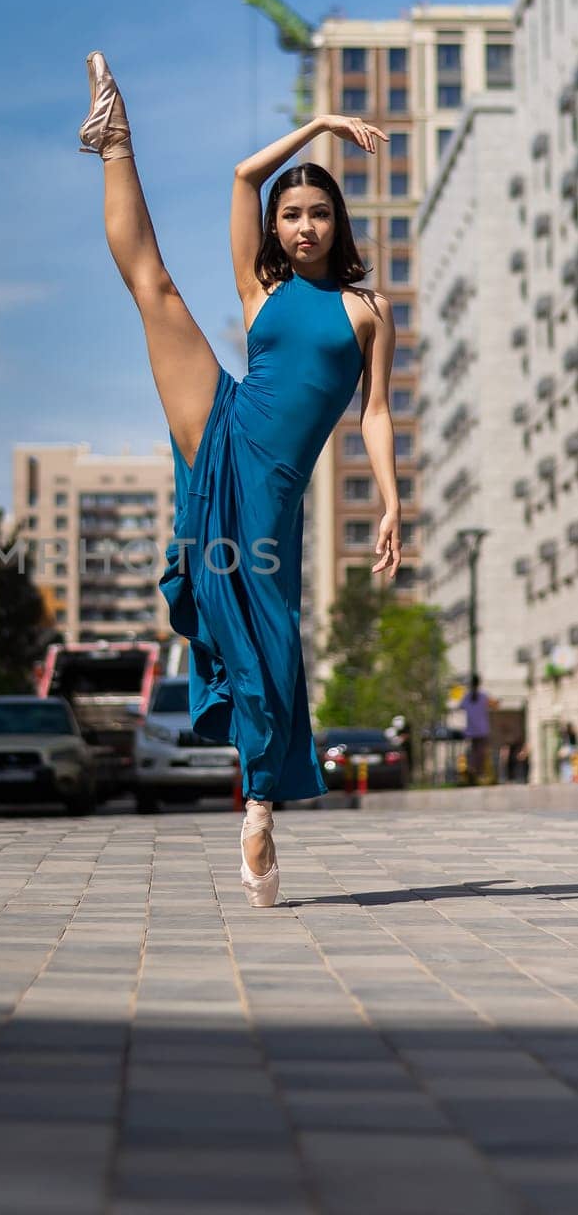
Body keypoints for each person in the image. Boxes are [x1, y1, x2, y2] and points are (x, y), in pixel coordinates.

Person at [78, 52, 400, 908]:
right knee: (153, 286)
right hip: (222, 424)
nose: (300, 227)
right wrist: (323, 125)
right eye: (290, 215)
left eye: (316, 214)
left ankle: (258, 806)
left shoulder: (368, 312)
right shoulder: (260, 288)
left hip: (273, 489)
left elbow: (370, 414)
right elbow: (240, 174)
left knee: (273, 652)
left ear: (338, 224)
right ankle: (114, 140)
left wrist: (392, 502)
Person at [459, 673, 490, 783]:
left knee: (473, 751)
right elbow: (492, 704)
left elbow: (460, 706)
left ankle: (472, 769)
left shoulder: (467, 697)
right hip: (482, 729)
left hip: (471, 729)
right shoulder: (483, 696)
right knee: (480, 752)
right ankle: (479, 772)